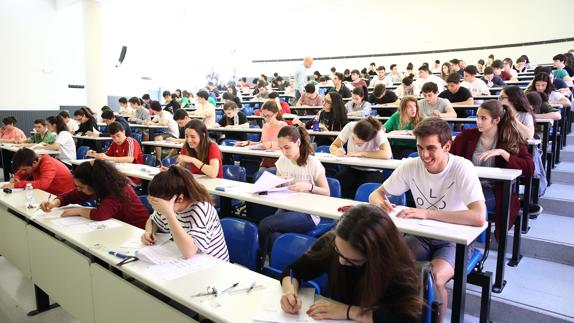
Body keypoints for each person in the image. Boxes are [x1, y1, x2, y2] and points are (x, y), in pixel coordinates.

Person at [368, 118, 486, 322]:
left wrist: (426, 213)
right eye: (420, 148)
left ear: (447, 146)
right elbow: (375, 194)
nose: (424, 155)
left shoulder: (462, 168)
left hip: (454, 240)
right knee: (386, 265)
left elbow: (478, 217)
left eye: (431, 148)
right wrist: (381, 203)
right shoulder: (411, 166)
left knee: (432, 279)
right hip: (422, 235)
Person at [281, 204, 421, 323]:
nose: (341, 261)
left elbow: (407, 317)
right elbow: (294, 271)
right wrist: (289, 292)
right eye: (338, 251)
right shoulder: (333, 243)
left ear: (376, 257)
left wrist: (348, 311)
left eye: (353, 261)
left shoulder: (398, 269)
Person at [451, 100, 534, 242]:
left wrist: (503, 153)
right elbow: (450, 158)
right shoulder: (467, 136)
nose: (478, 121)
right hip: (466, 186)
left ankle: (464, 246)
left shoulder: (509, 139)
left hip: (493, 190)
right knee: (448, 201)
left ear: (496, 120)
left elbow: (529, 168)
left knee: (464, 207)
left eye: (483, 118)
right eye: (477, 117)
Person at [258, 125, 330, 259]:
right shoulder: (282, 160)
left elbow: (327, 192)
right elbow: (278, 186)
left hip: (308, 213)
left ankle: (260, 261)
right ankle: (274, 262)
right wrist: (277, 182)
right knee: (273, 235)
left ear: (298, 142)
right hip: (288, 206)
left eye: (287, 147)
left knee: (265, 225)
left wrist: (309, 187)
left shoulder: (312, 163)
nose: (284, 152)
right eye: (281, 148)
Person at [141, 165, 229, 260]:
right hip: (189, 263)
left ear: (180, 198)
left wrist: (169, 213)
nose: (156, 208)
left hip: (214, 264)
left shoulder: (201, 209)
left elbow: (189, 252)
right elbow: (153, 220)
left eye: (159, 204)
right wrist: (149, 232)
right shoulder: (167, 206)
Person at [39, 159, 149, 229]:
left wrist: (79, 210)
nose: (78, 189)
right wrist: (54, 203)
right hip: (117, 225)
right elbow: (71, 195)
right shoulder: (96, 187)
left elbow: (100, 214)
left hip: (137, 230)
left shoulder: (118, 191)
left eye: (81, 187)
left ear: (95, 184)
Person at [330, 117, 393, 198]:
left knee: (363, 189)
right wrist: (336, 151)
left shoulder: (377, 132)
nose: (354, 143)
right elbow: (334, 145)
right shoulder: (350, 127)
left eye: (360, 144)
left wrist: (361, 153)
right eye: (353, 138)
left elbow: (387, 154)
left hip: (372, 170)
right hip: (352, 168)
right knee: (336, 183)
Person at [235, 101, 287, 169]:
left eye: (268, 116)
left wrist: (271, 144)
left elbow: (286, 145)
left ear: (276, 114)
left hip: (280, 162)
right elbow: (262, 144)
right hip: (266, 161)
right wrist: (248, 143)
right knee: (260, 174)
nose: (265, 118)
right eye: (264, 116)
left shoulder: (283, 125)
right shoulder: (265, 126)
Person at [2, 148, 75, 194]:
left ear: (34, 163)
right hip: (47, 193)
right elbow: (20, 173)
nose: (22, 172)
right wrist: (16, 178)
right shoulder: (31, 162)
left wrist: (16, 185)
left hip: (62, 195)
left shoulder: (48, 163)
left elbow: (43, 184)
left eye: (24, 169)